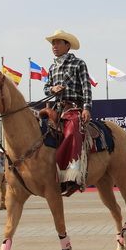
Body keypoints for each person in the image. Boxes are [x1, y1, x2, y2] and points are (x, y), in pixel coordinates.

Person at [43, 29, 92, 197]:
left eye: (58, 43)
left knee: (71, 132)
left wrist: (86, 108)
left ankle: (71, 177)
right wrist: (52, 88)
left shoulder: (79, 64)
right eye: (53, 43)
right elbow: (45, 88)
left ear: (67, 45)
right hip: (56, 109)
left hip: (73, 107)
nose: (54, 46)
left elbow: (86, 87)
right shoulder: (51, 67)